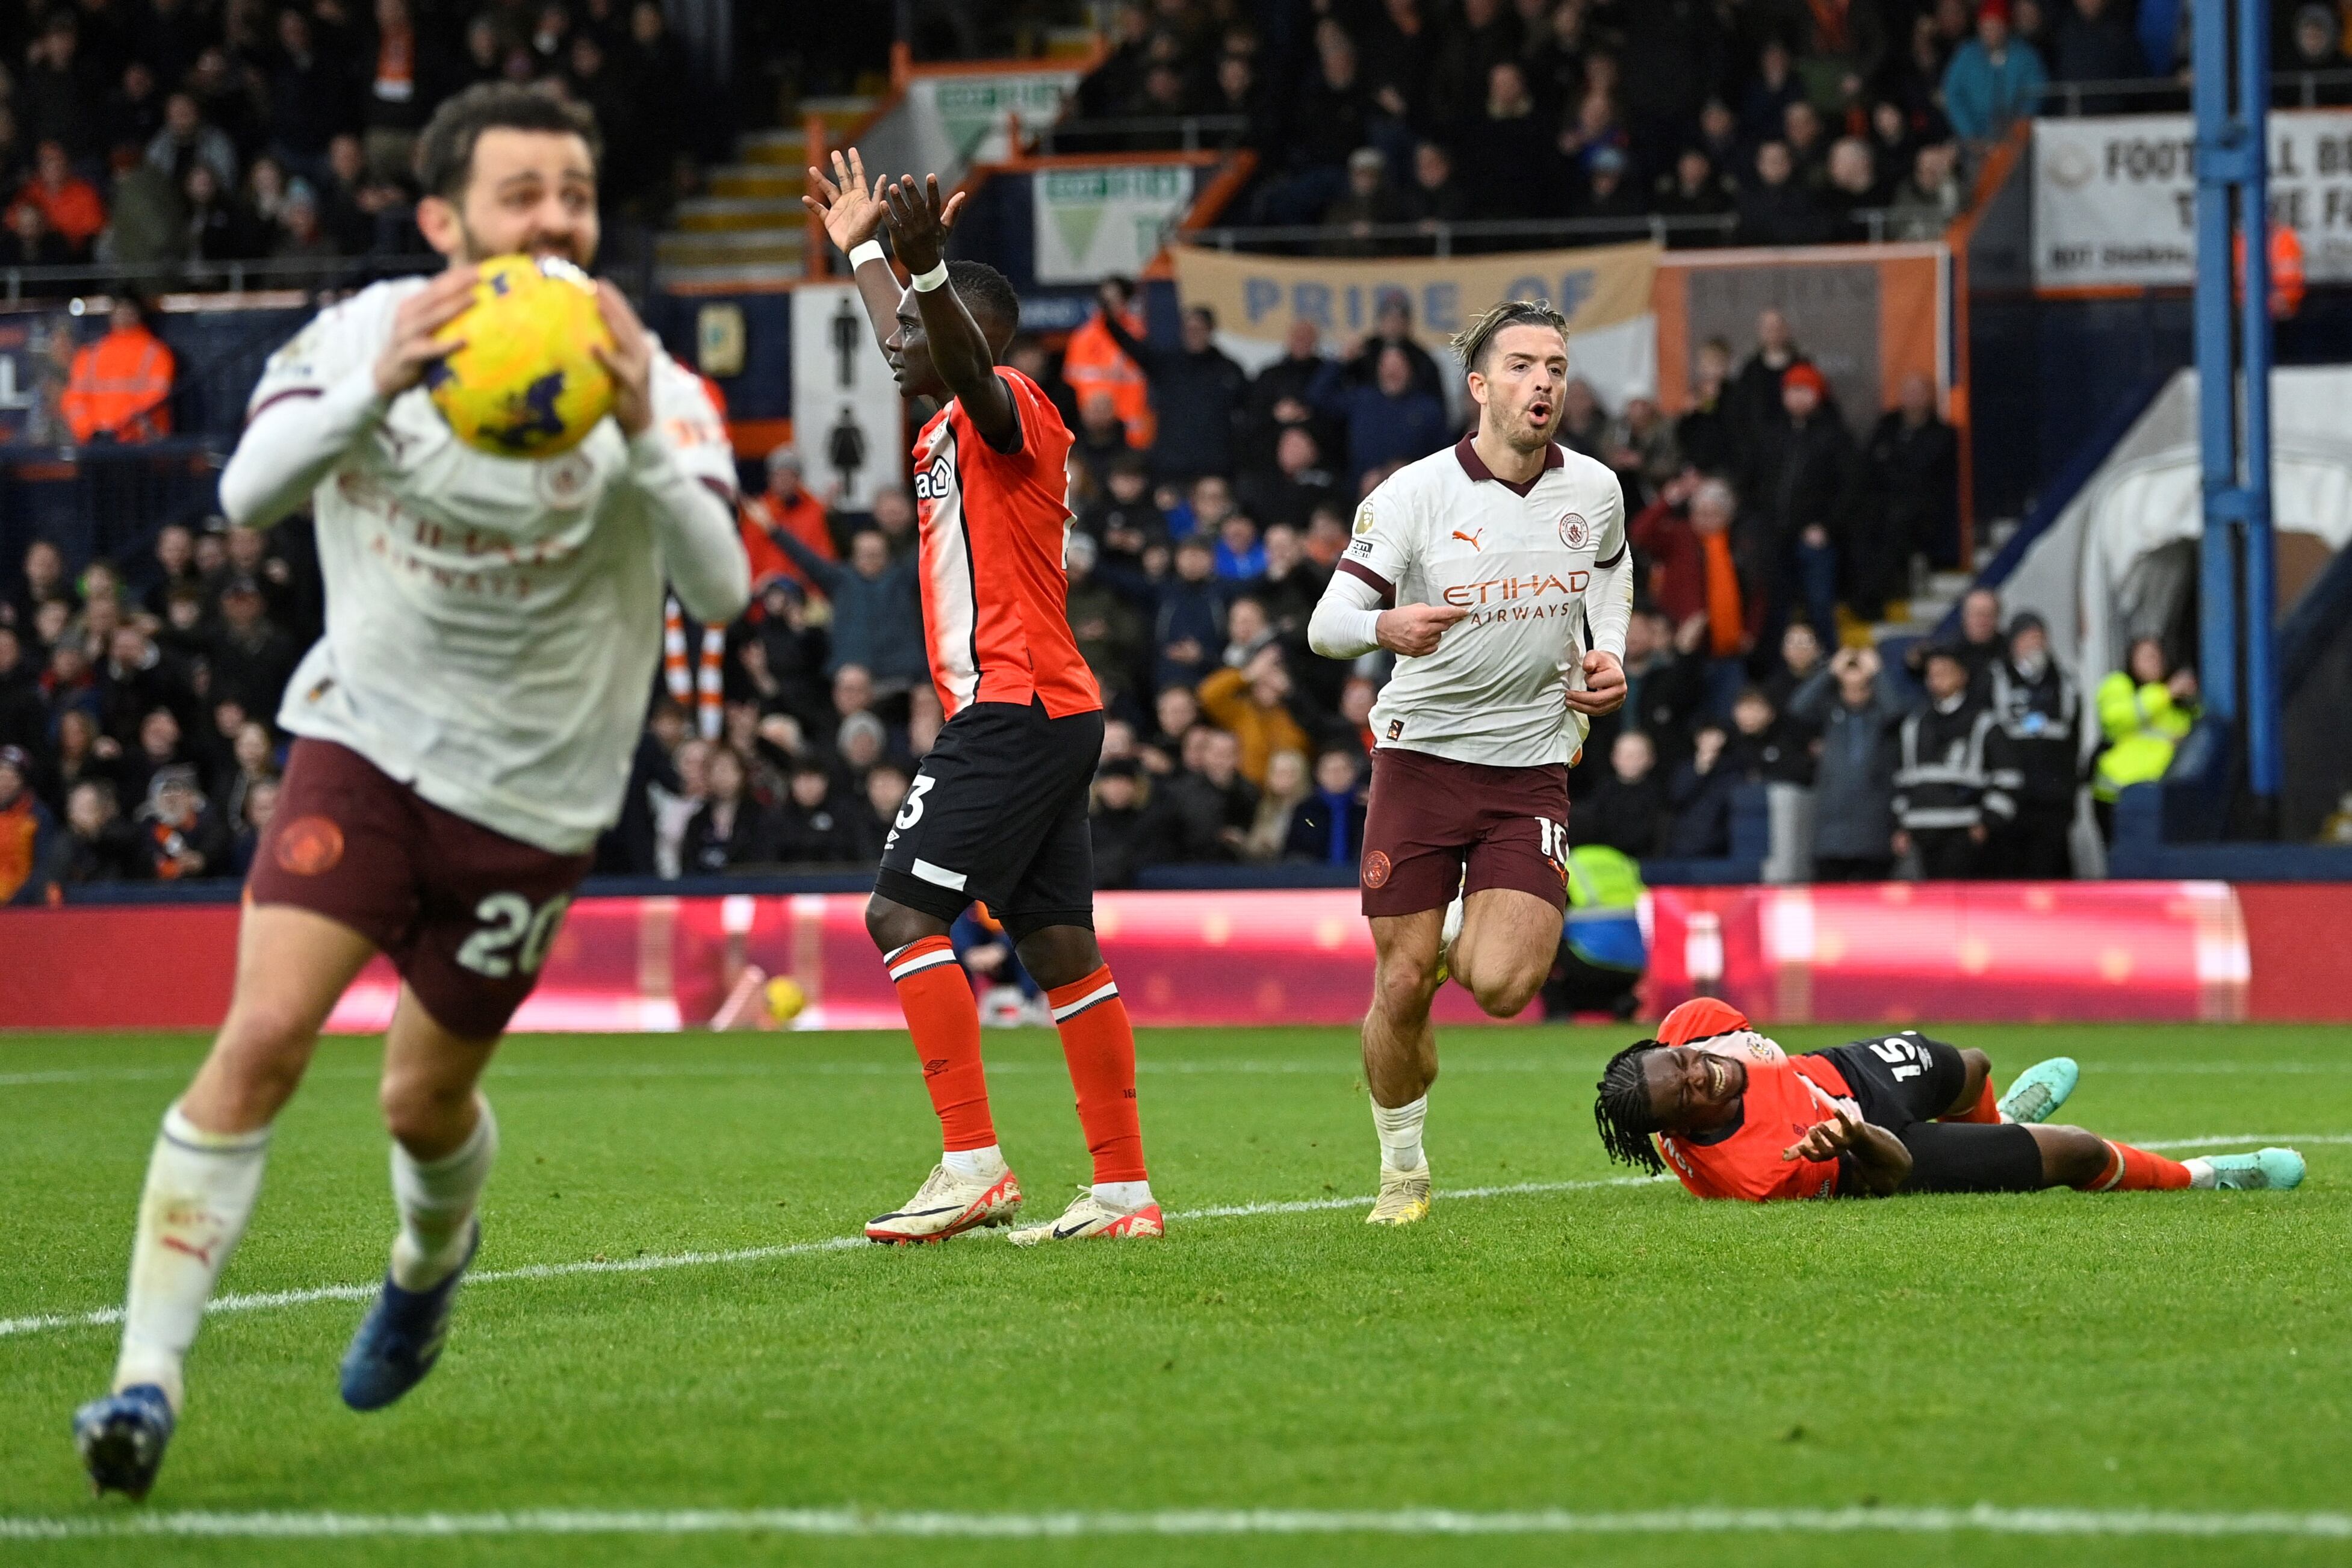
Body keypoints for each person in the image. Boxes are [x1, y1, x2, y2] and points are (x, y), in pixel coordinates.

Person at [72, 84, 749, 1500]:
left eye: (575, 192)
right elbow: (249, 497)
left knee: (418, 1105)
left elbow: (724, 588)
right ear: (445, 220)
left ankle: (428, 1264)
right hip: (364, 747)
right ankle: (143, 1382)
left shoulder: (655, 384)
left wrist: (628, 432)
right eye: (523, 194)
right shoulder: (358, 336)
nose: (557, 219)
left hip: (535, 807)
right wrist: (382, 387)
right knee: (262, 1036)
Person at [808, 147, 1161, 1247]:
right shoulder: (944, 410)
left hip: (1014, 708)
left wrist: (919, 276)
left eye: (919, 324)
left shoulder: (1009, 405)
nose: (896, 348)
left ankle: (972, 1165)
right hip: (1042, 707)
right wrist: (866, 253)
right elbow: (914, 346)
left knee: (898, 913)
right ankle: (1122, 1192)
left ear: (972, 333)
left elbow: (947, 356)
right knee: (1059, 950)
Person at [1306, 299, 1632, 1227]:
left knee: (1503, 987)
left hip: (1530, 761)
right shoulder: (1411, 495)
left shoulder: (1595, 489)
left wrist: (1607, 649)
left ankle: (1451, 922)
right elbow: (1324, 625)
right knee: (1401, 985)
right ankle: (1401, 1168)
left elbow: (1611, 567)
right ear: (1480, 386)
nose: (1544, 384)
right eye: (1524, 366)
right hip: (1418, 759)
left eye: (1557, 368)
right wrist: (1384, 624)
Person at [1594, 997, 2304, 1202]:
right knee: (2077, 1152)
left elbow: (1738, 1036)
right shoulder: (1757, 1170)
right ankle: (2210, 1173)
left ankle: (1999, 1125)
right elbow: (1892, 1170)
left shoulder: (1689, 1029)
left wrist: (1754, 1051)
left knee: (1969, 1065)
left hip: (1845, 1072)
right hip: (1874, 1148)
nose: (1701, 1073)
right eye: (1687, 1089)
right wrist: (1848, 1136)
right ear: (1678, 1130)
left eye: (1685, 1061)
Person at [1790, 643, 1905, 881]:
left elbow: (1896, 712)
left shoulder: (1881, 714)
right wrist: (1829, 673)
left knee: (1874, 905)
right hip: (1830, 832)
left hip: (1874, 829)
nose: (1855, 676)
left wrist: (1878, 673)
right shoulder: (1830, 711)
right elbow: (1797, 707)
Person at [1894, 646, 2009, 878]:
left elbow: (2009, 777)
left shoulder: (1983, 723)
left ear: (1962, 676)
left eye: (1945, 671)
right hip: (1922, 834)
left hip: (1964, 833)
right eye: (1932, 673)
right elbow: (1902, 780)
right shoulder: (1915, 725)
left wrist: (1988, 821)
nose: (1938, 679)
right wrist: (1900, 826)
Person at [1985, 612, 2079, 878]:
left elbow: (2074, 739)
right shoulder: (1995, 679)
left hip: (2053, 795)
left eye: (2039, 639)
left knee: (2050, 868)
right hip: (2012, 796)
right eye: (2027, 639)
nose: (2034, 646)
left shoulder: (2065, 682)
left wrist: (2069, 792)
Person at [2093, 636, 2197, 837]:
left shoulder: (2171, 700)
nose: (2155, 662)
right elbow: (2119, 718)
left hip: (2158, 796)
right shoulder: (2118, 684)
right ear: (2133, 660)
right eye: (2148, 657)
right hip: (2118, 796)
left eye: (2158, 656)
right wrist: (2166, 692)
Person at [61, 296, 177, 445]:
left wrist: (121, 430)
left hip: (138, 446)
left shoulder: (156, 353)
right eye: (119, 309)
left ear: (138, 314)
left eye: (128, 309)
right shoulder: (90, 354)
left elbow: (156, 397)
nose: (123, 314)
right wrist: (89, 431)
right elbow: (74, 400)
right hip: (94, 445)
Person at [1941, 0, 2049, 143]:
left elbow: (2035, 96)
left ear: (2005, 27)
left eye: (1995, 26)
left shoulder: (2026, 57)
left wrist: (2018, 132)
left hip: (2017, 140)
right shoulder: (1966, 55)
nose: (1990, 33)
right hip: (1972, 140)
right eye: (1986, 27)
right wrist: (1969, 134)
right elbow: (1953, 95)